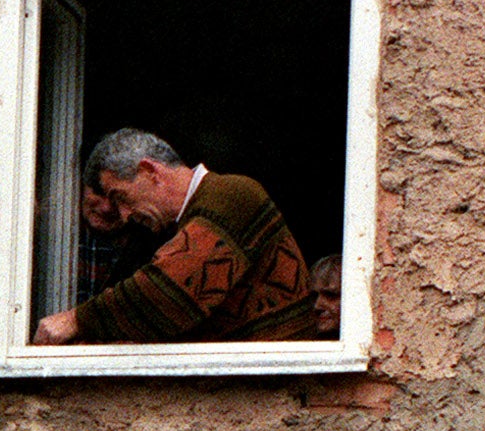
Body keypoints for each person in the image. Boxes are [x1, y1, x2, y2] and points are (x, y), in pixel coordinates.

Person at [34, 128, 316, 346]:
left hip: (283, 391)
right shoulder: (172, 227)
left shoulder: (232, 195)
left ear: (150, 171)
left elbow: (166, 295)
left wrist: (75, 320)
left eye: (121, 198)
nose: (123, 215)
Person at [73, 172, 159, 300]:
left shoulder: (152, 248)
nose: (106, 208)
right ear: (81, 186)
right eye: (98, 192)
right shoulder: (51, 233)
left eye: (119, 198)